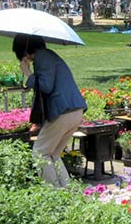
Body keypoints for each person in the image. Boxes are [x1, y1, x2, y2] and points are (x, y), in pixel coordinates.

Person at [14, 34, 87, 188]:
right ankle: (67, 191)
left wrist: (27, 72)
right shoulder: (49, 55)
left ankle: (53, 192)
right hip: (74, 110)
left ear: (25, 51)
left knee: (40, 153)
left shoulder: (42, 57)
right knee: (53, 154)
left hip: (63, 111)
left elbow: (46, 86)